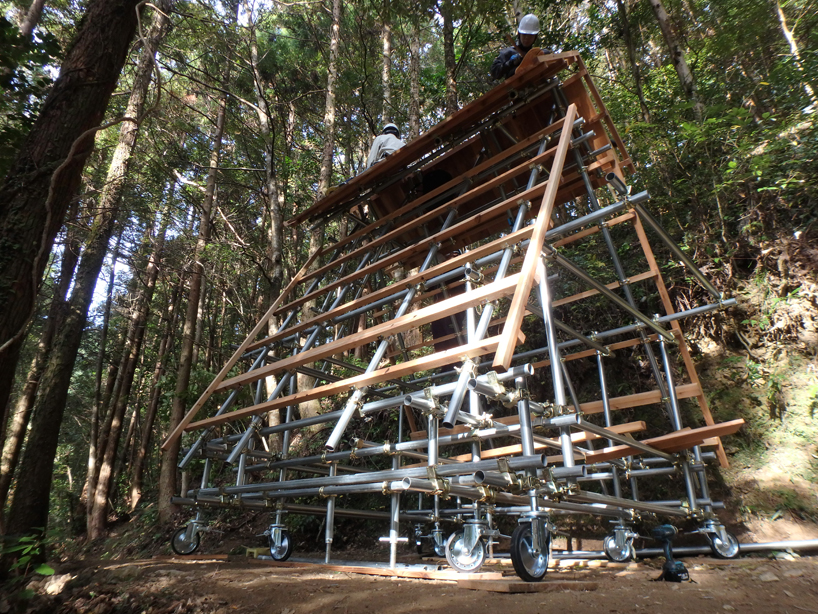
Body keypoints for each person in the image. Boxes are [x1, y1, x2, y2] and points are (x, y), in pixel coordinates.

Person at [490, 14, 541, 81]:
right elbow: (494, 71)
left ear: (535, 37)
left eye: (530, 35)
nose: (527, 38)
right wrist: (511, 62)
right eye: (524, 35)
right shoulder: (508, 52)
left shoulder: (537, 54)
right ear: (519, 35)